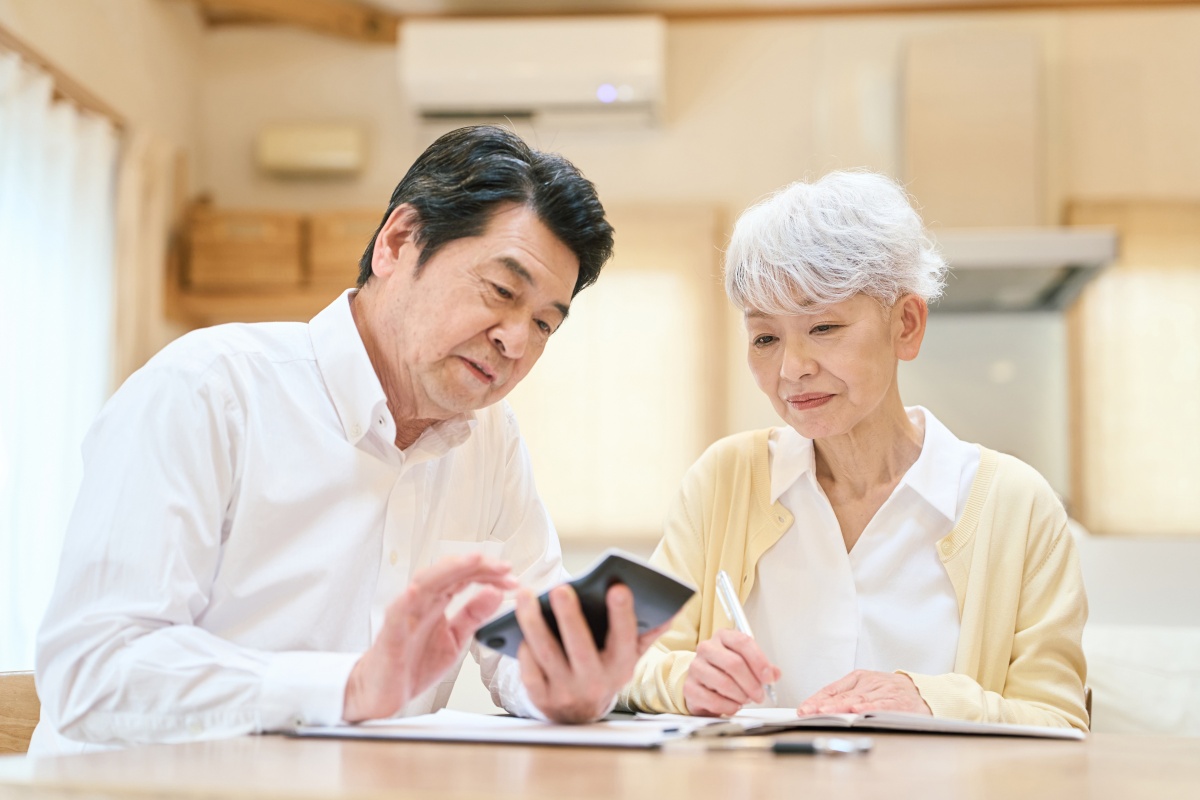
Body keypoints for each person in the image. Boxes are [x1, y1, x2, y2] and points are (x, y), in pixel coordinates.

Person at [31, 125, 665, 755]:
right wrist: (347, 688)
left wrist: (560, 685)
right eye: (501, 291)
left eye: (545, 324)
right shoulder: (207, 390)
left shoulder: (491, 444)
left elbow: (519, 641)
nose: (516, 342)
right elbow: (93, 672)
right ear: (398, 241)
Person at [619, 171, 1089, 730]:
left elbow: (1059, 722)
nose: (792, 368)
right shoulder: (725, 479)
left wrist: (929, 701)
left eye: (823, 327)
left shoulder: (1016, 505)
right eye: (766, 337)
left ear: (906, 325)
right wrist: (685, 681)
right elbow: (626, 666)